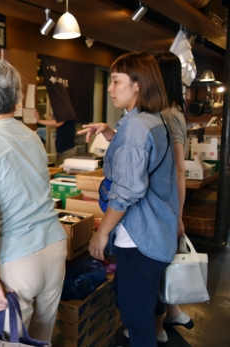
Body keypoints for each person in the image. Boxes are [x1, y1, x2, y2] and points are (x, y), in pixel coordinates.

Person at [0, 60, 68, 342]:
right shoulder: (32, 136)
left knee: (3, 343)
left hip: (16, 262)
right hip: (54, 249)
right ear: (15, 100)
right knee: (42, 338)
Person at [78, 51, 179, 347]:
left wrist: (102, 232)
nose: (110, 89)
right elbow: (139, 160)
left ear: (138, 84)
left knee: (136, 318)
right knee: (139, 306)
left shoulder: (136, 127)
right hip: (156, 232)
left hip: (139, 238)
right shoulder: (150, 120)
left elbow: (126, 192)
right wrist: (110, 134)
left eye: (116, 81)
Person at [152, 51, 194, 332]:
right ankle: (173, 312)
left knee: (157, 262)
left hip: (166, 202)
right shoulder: (172, 109)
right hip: (166, 201)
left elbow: (180, 169)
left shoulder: (169, 114)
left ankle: (156, 329)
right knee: (163, 260)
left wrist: (178, 215)